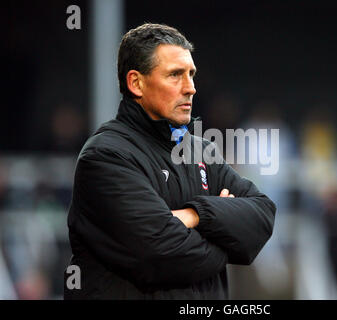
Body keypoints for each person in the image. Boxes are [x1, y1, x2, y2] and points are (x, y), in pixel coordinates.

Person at [63, 23, 276, 299]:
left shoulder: (201, 151)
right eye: (175, 75)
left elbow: (262, 216)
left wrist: (195, 215)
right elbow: (160, 254)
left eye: (191, 75)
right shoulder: (105, 156)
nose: (191, 88)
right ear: (136, 83)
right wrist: (226, 241)